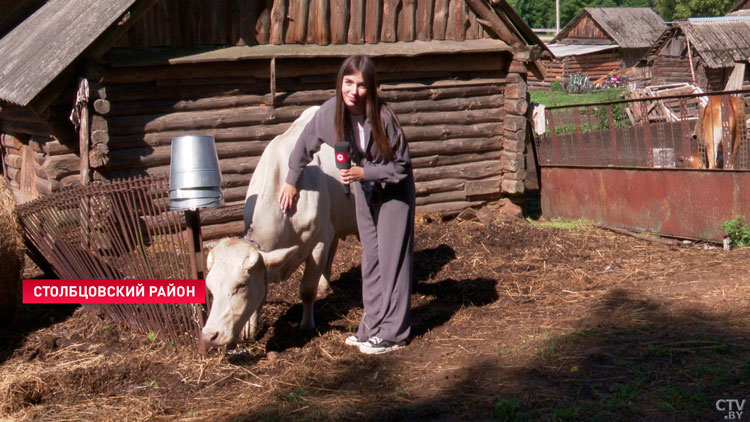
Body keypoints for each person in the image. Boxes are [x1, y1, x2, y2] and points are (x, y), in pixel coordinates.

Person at [279, 55, 415, 355]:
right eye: (348, 82)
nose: (353, 91)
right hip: (364, 190)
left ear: (372, 88)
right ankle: (372, 326)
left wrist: (363, 172)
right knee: (371, 259)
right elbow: (304, 143)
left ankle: (394, 333)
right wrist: (292, 179)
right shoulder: (330, 113)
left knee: (393, 260)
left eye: (361, 85)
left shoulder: (383, 118)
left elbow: (401, 168)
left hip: (393, 191)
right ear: (341, 82)